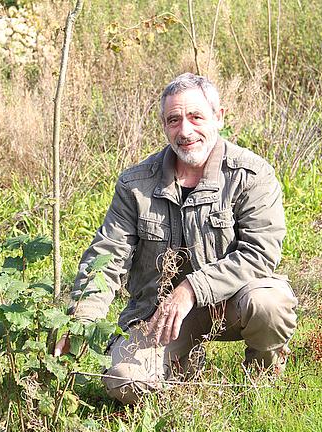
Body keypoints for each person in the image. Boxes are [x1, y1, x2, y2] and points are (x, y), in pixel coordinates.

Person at [55, 73, 298, 404]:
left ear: (218, 117)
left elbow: (259, 254)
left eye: (196, 117)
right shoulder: (135, 184)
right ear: (164, 125)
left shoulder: (252, 174)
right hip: (160, 315)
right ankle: (182, 378)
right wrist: (80, 322)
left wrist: (190, 290)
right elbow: (107, 257)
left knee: (270, 304)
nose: (185, 131)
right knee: (124, 381)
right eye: (174, 120)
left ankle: (262, 385)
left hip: (233, 304)